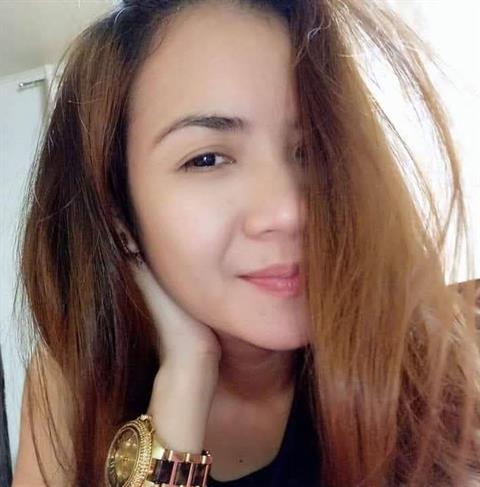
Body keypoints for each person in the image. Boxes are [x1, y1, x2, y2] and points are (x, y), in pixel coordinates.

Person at [10, 0, 480, 486]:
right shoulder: (76, 376)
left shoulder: (422, 361)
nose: (291, 211)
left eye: (309, 149)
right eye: (207, 160)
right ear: (118, 209)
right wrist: (184, 381)